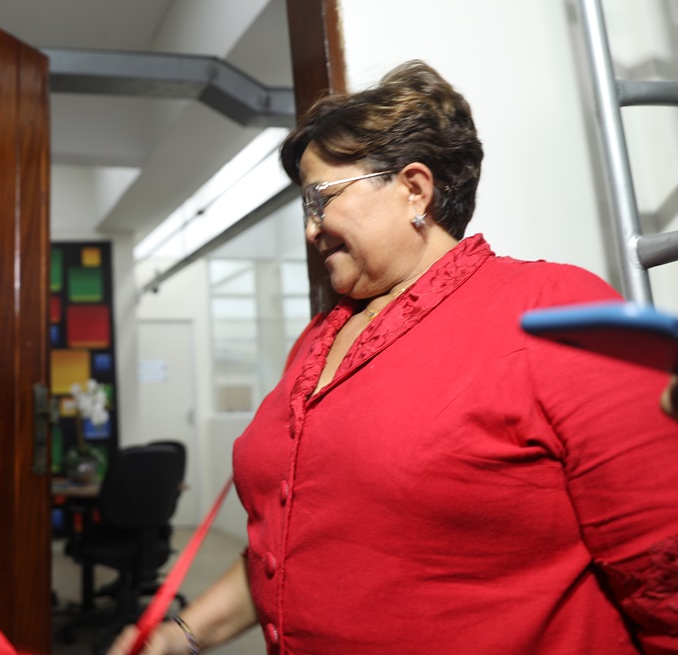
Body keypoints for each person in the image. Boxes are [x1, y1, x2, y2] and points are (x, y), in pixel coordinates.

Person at [112, 60, 678, 654]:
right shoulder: (317, 340)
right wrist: (181, 636)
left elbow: (661, 564)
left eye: (320, 199)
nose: (310, 230)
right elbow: (286, 547)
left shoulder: (557, 309)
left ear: (414, 188)